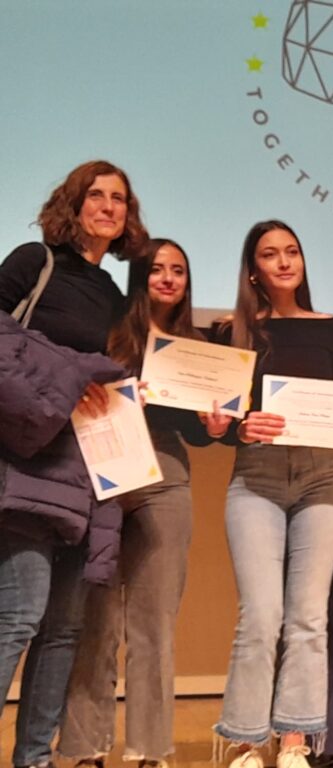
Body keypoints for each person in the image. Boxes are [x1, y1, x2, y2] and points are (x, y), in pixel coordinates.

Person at [58, 239, 230, 768]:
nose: (168, 278)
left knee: (154, 624)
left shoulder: (198, 346)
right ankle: (85, 748)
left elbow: (199, 433)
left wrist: (213, 427)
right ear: (140, 276)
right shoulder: (109, 332)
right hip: (105, 471)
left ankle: (151, 751)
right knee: (97, 620)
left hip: (166, 476)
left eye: (178, 270)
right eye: (157, 269)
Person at [0, 160, 148, 768]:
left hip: (87, 470)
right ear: (74, 202)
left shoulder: (113, 295)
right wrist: (68, 381)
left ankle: (34, 759)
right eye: (96, 195)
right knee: (18, 616)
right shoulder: (34, 262)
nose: (108, 207)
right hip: (26, 461)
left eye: (119, 199)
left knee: (63, 629)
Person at [211, 220, 333, 768]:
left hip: (322, 476)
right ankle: (247, 741)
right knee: (261, 614)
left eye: (292, 251)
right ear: (254, 270)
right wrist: (240, 427)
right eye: (271, 254)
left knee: (309, 616)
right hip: (257, 478)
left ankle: (295, 741)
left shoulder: (330, 327)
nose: (285, 262)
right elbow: (220, 423)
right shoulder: (231, 331)